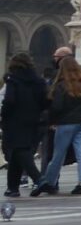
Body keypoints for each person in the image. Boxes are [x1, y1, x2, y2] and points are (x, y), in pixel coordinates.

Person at [33, 57, 81, 195]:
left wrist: (52, 121)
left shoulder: (61, 85)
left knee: (59, 154)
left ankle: (49, 181)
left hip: (66, 122)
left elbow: (56, 106)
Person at [3, 54, 48, 196]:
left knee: (19, 150)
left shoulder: (13, 80)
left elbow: (9, 100)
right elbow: (45, 101)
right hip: (33, 119)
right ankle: (13, 188)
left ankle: (39, 178)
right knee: (17, 152)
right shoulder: (38, 81)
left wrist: (4, 114)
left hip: (15, 120)